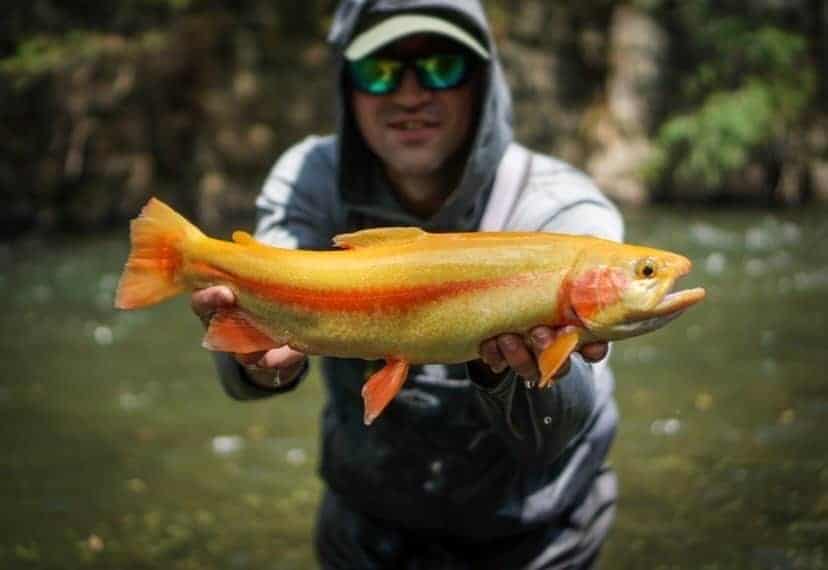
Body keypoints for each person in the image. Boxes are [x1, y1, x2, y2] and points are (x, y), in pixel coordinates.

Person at [192, 1, 624, 568]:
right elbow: (260, 313)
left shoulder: (563, 210)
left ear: (484, 80)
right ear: (347, 85)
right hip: (366, 532)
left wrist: (529, 374)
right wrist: (253, 357)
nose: (411, 94)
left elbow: (563, 426)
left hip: (539, 539)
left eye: (442, 67)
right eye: (380, 70)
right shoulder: (310, 179)